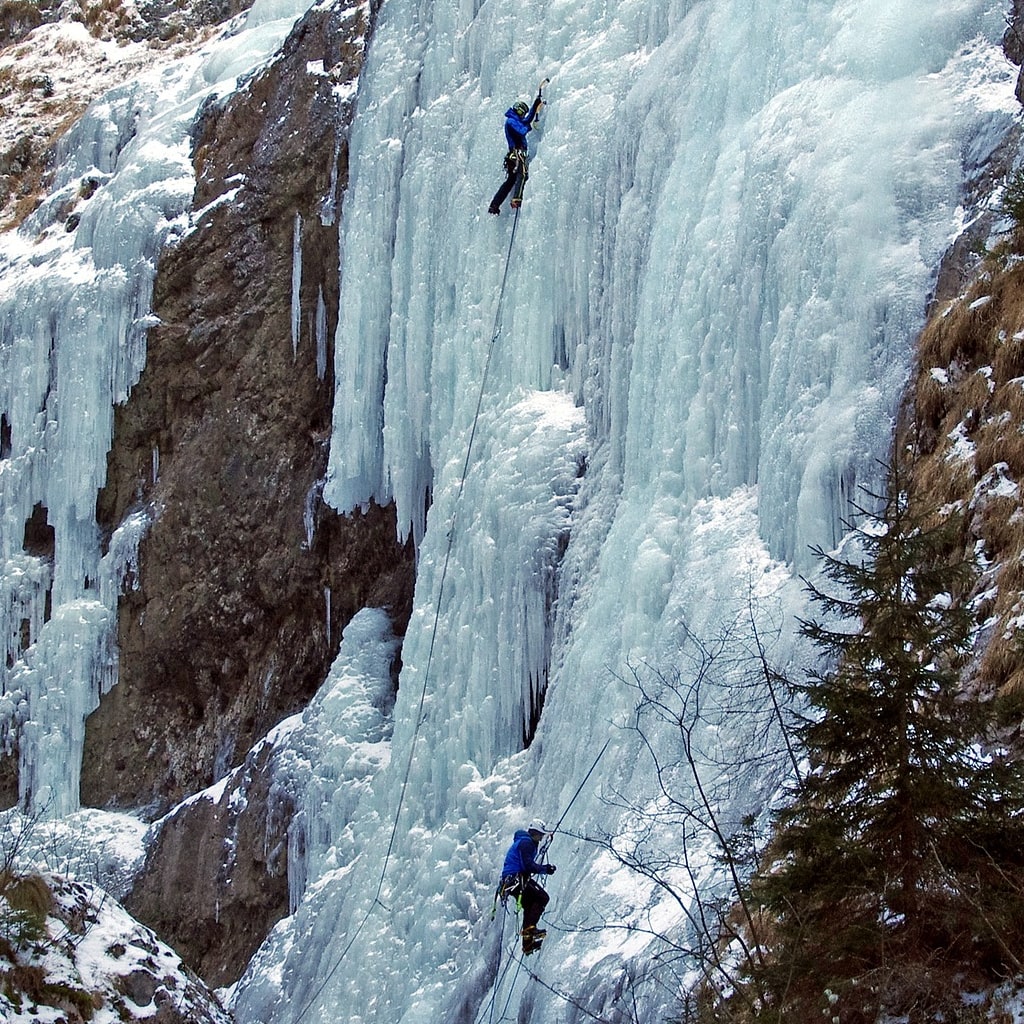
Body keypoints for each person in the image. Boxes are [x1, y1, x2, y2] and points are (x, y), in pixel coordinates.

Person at [499, 820, 556, 954]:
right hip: (516, 879)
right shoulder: (526, 843)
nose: (541, 837)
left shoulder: (526, 842)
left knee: (530, 905)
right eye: (540, 835)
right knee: (542, 898)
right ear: (534, 833)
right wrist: (545, 869)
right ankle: (530, 930)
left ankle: (528, 944)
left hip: (512, 881)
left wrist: (548, 838)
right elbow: (528, 865)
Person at [487, 87, 545, 215]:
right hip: (517, 153)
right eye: (522, 113)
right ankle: (516, 199)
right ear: (519, 111)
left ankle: (494, 205)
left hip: (513, 154)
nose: (523, 115)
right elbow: (522, 130)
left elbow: (525, 120)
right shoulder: (511, 121)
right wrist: (530, 125)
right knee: (522, 175)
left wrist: (535, 106)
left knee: (511, 181)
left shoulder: (514, 119)